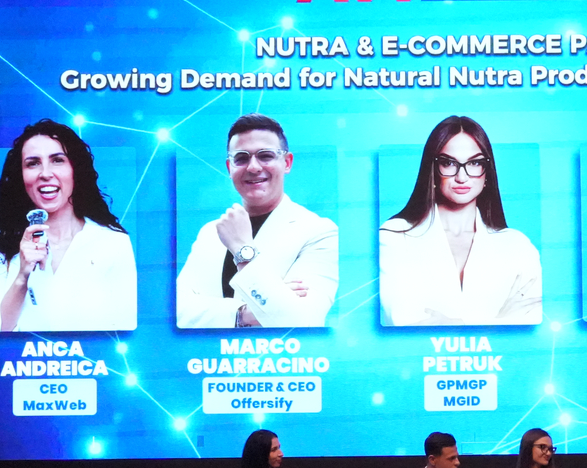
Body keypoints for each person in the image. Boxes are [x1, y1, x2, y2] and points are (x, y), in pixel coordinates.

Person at [177, 114, 339, 328]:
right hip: (208, 351)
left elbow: (301, 320)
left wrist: (242, 250)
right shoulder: (210, 232)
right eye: (241, 158)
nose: (253, 167)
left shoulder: (319, 231)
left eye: (265, 155)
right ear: (229, 168)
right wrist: (243, 314)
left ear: (287, 162)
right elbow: (176, 313)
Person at [0, 119, 136, 332]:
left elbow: (125, 329)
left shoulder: (113, 242)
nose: (45, 174)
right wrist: (22, 276)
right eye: (33, 163)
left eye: (57, 160)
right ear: (21, 175)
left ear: (75, 170)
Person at [379, 115, 542, 326]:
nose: (462, 177)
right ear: (432, 169)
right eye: (448, 163)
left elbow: (530, 324)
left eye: (474, 163)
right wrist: (500, 320)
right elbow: (404, 322)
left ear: (487, 172)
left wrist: (452, 322)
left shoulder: (518, 246)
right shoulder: (394, 237)